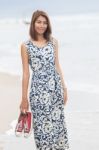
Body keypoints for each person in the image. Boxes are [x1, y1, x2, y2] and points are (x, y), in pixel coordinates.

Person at [19, 10, 69, 150]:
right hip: (38, 94)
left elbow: (57, 66)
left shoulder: (53, 42)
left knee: (58, 128)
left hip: (55, 90)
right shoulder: (26, 46)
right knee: (42, 132)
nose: (42, 25)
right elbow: (26, 74)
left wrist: (64, 88)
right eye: (39, 22)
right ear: (33, 23)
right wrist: (24, 98)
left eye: (45, 22)